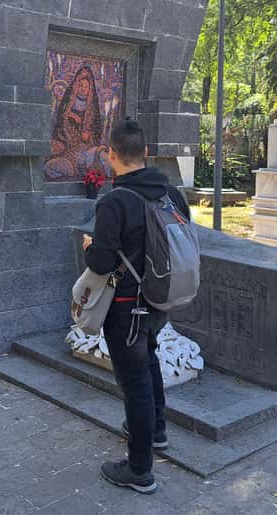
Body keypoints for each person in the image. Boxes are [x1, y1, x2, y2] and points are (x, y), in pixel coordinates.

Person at [82, 117, 191, 495]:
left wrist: (88, 248)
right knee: (149, 360)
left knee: (135, 385)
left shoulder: (115, 201)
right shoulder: (172, 194)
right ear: (146, 152)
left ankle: (140, 469)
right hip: (160, 300)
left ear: (111, 155)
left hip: (127, 306)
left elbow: (101, 262)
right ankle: (156, 431)